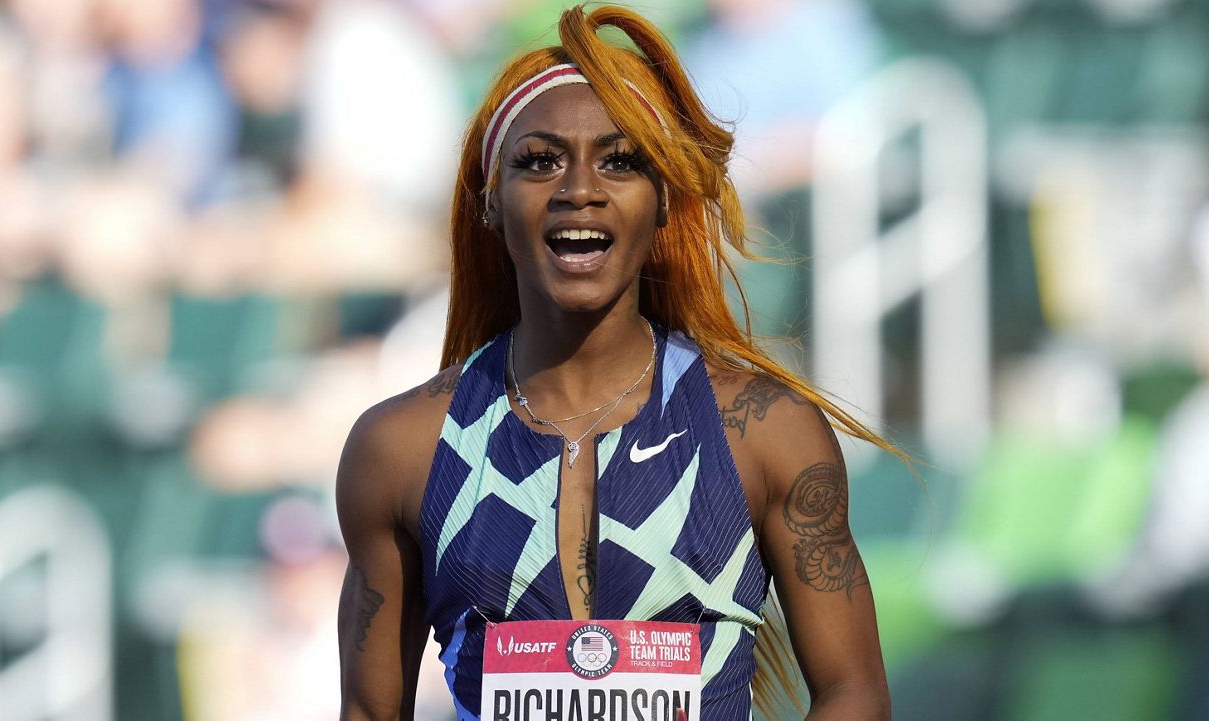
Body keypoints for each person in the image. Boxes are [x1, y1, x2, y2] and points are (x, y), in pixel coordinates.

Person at [335, 5, 895, 719]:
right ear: (489, 202)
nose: (580, 189)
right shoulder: (399, 449)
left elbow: (855, 694)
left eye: (621, 161)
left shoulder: (766, 432)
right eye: (539, 161)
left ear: (664, 202)